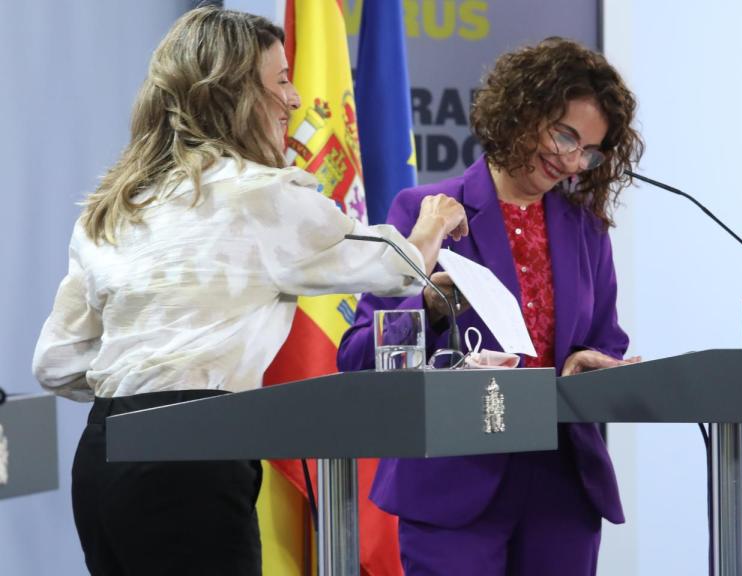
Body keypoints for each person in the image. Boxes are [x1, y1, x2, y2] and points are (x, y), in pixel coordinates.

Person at [31, 7, 467, 575]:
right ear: (234, 92)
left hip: (102, 459)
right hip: (197, 457)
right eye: (281, 80)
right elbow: (396, 266)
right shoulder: (262, 196)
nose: (294, 99)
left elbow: (56, 362)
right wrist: (433, 222)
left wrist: (143, 384)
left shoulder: (116, 207)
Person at [337, 38, 643, 575]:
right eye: (565, 135)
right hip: (454, 478)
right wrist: (429, 306)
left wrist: (592, 364)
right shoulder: (425, 211)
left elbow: (606, 340)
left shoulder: (586, 229)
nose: (572, 161)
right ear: (523, 109)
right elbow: (359, 354)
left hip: (562, 484)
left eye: (590, 151)